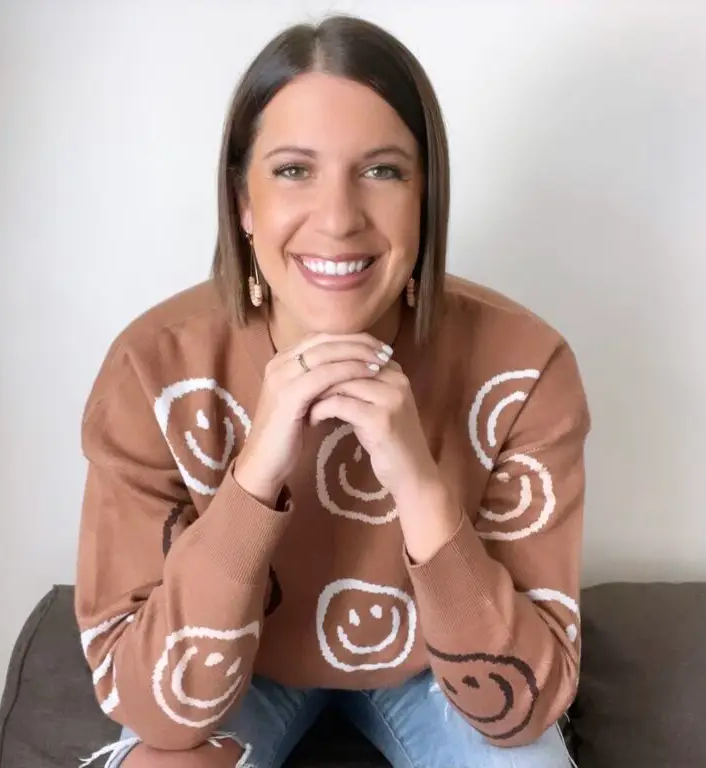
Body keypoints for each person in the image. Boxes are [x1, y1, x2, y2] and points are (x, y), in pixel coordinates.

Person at [76, 14, 589, 768]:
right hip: (243, 671)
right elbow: (148, 702)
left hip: (433, 671)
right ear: (243, 202)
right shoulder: (153, 370)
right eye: (292, 170)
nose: (339, 218)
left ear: (426, 198)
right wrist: (254, 478)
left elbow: (528, 707)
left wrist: (418, 481)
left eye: (382, 171)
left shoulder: (526, 368)